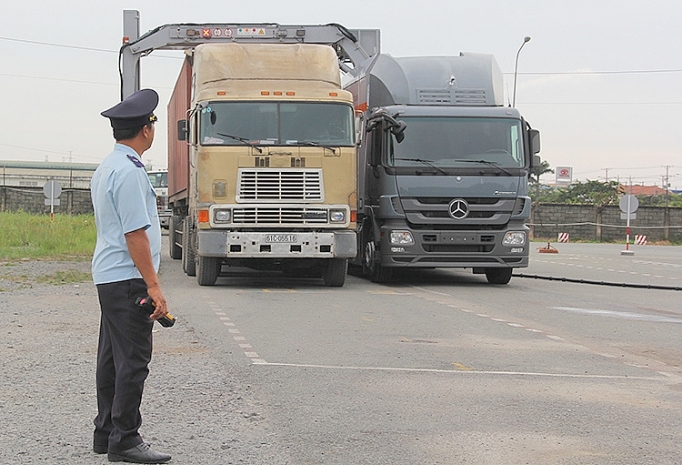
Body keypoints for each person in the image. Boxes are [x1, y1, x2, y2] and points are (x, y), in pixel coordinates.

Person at [91, 88, 171, 464]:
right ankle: (125, 437)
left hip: (111, 276)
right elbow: (135, 233)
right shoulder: (129, 171)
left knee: (112, 358)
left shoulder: (110, 165)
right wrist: (153, 285)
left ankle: (106, 433)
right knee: (134, 359)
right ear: (147, 129)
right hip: (127, 278)